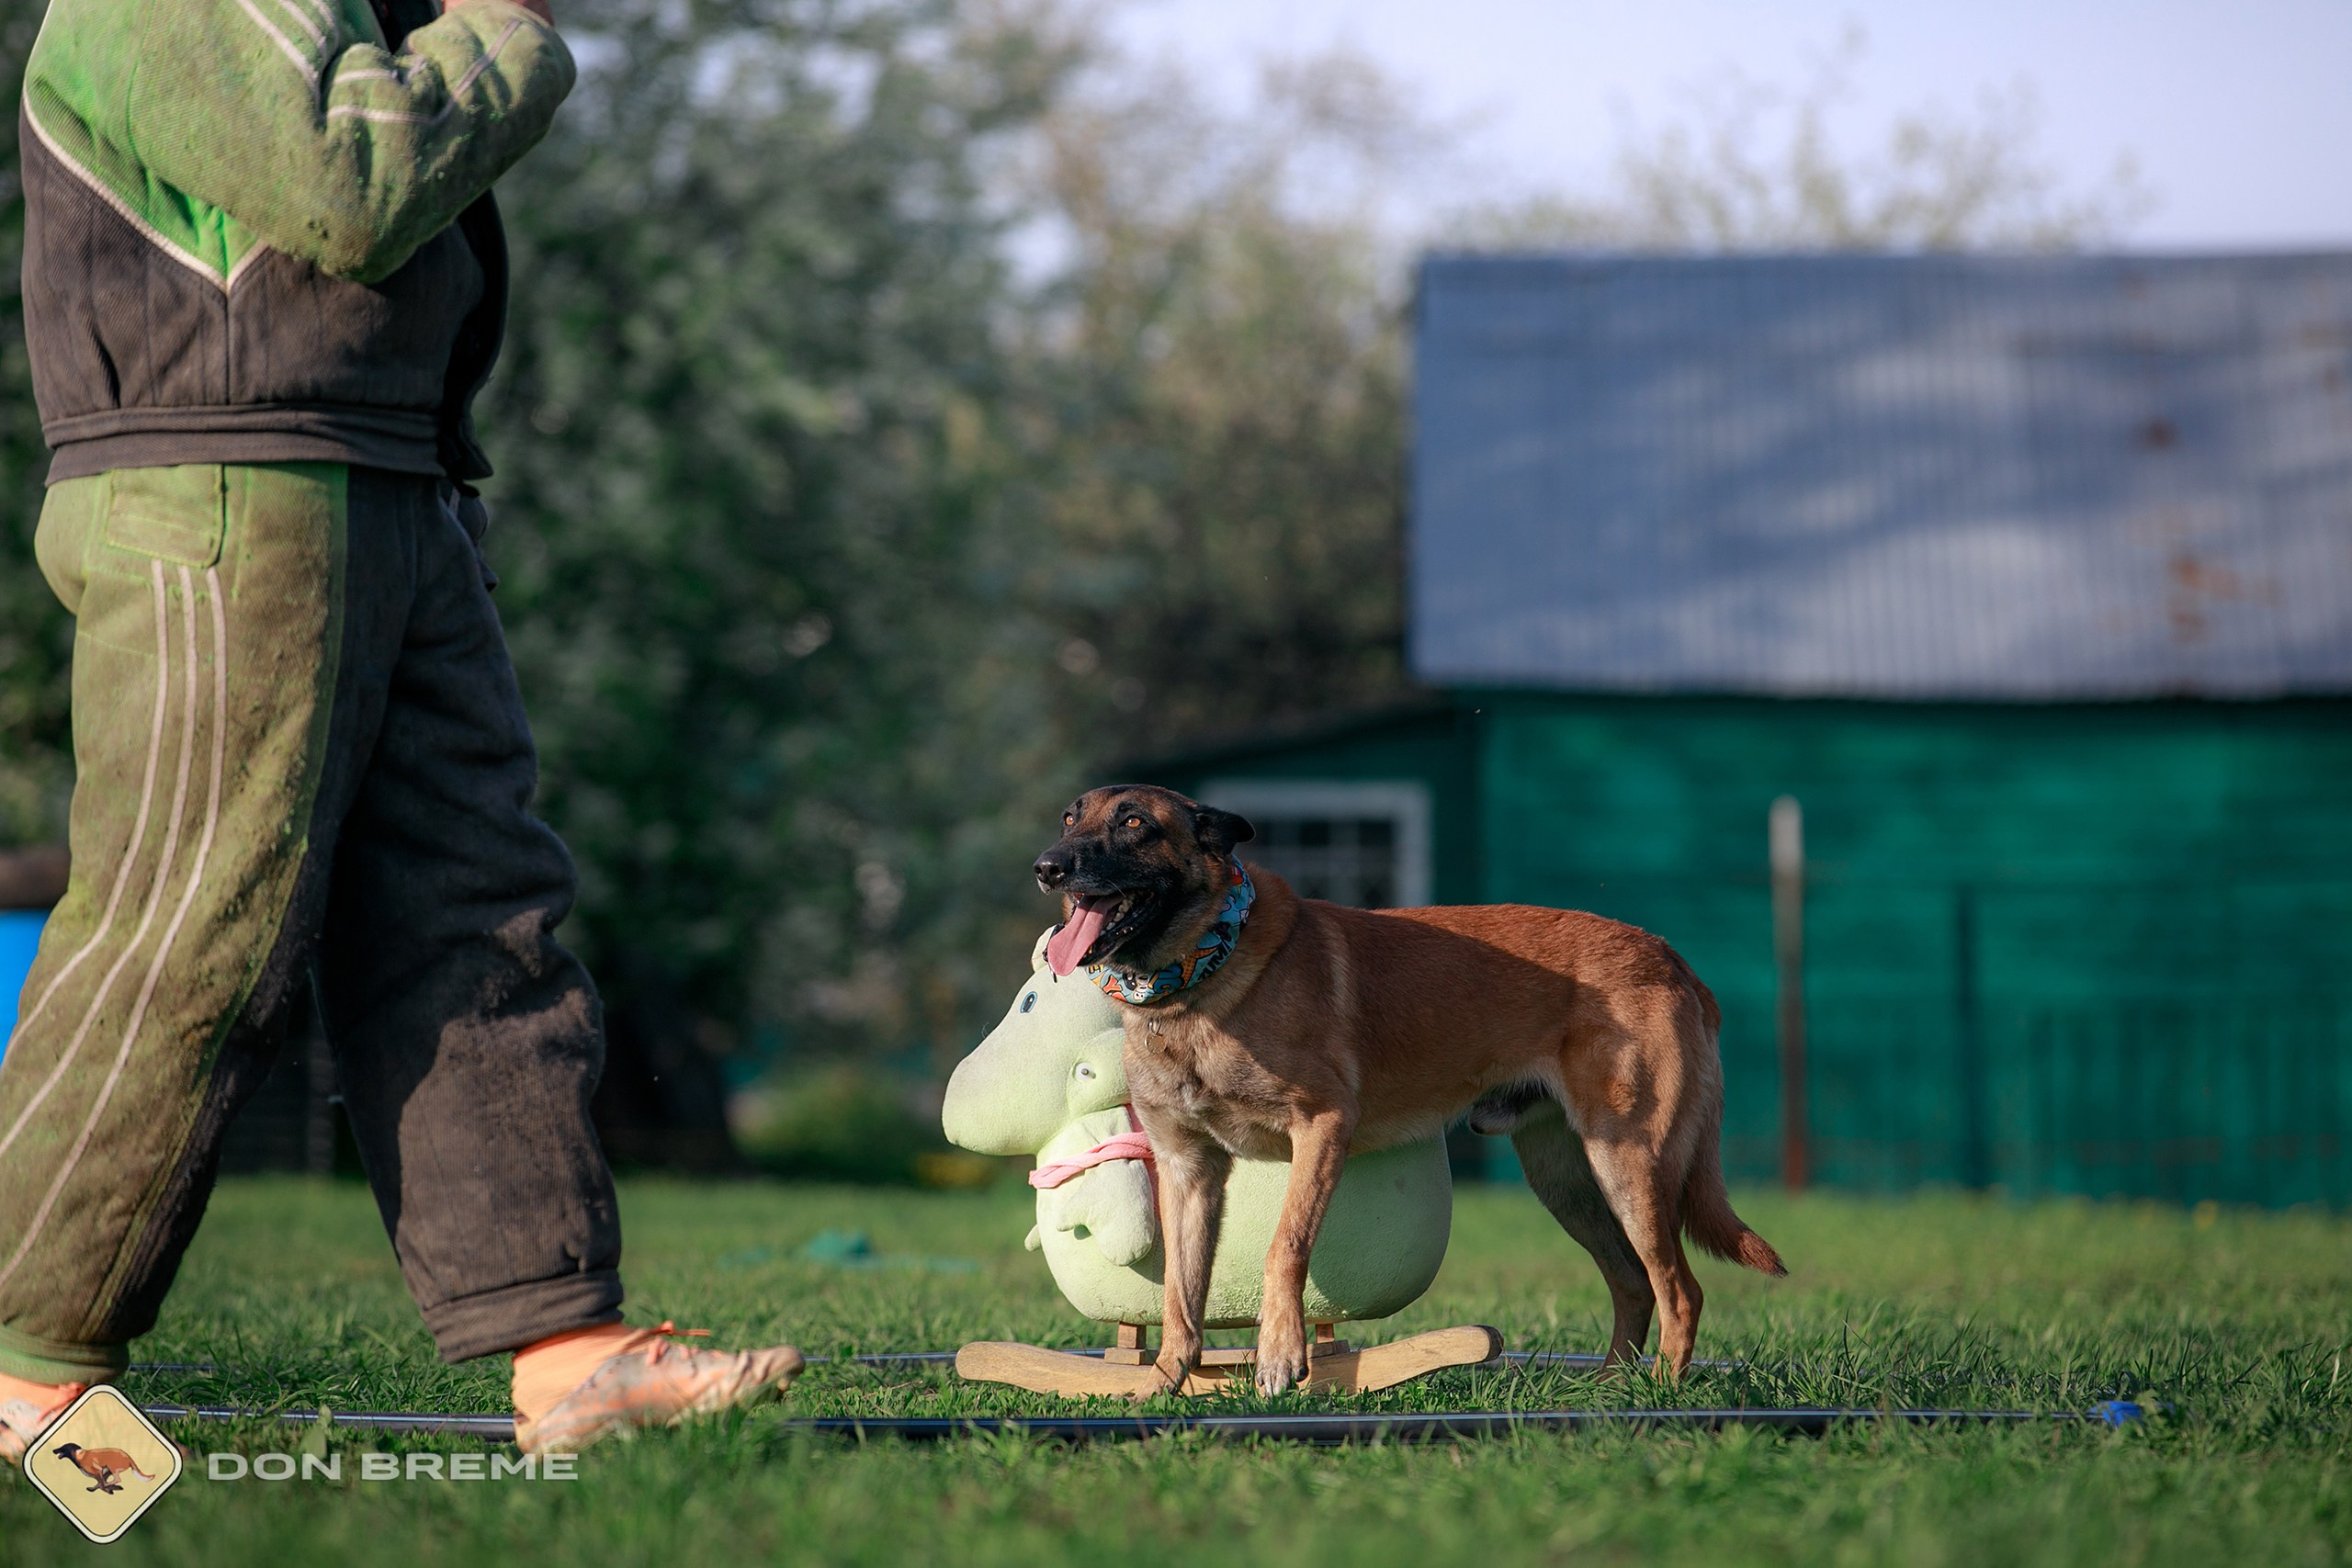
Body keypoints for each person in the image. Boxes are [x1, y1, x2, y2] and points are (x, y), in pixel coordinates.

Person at [0, 0, 801, 1460]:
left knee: (473, 921)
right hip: (230, 485)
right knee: (197, 926)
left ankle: (568, 1353)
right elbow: (350, 182)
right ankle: (24, 1359)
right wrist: (506, 29)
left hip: (389, 479)